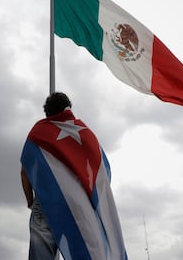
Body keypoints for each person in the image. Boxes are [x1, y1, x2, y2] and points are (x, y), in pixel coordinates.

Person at [20, 92, 127, 260]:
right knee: (84, 250)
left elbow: (24, 171)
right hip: (78, 204)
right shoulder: (86, 134)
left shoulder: (39, 132)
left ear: (48, 112)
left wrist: (30, 201)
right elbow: (103, 172)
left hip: (45, 202)